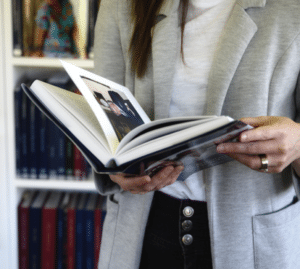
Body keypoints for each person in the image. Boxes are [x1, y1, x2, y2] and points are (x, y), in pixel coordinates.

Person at [93, 0, 300, 268]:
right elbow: (105, 118)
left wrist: (296, 143)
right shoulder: (120, 5)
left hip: (252, 242)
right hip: (141, 231)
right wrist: (113, 166)